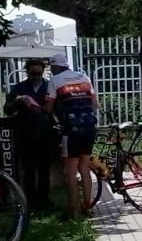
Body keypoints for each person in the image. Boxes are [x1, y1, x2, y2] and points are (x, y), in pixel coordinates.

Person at [43, 53, 100, 218]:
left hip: (71, 131)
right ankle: (88, 206)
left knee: (70, 172)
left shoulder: (55, 80)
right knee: (84, 167)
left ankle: (71, 210)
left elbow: (48, 108)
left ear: (55, 67)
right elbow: (95, 104)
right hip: (89, 128)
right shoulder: (84, 77)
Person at [5, 59, 55, 211]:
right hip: (26, 134)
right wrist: (18, 102)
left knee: (44, 170)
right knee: (28, 171)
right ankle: (30, 202)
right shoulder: (19, 88)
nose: (36, 77)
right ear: (27, 72)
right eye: (33, 73)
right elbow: (7, 109)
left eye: (39, 73)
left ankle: (44, 201)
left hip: (46, 134)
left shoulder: (49, 87)